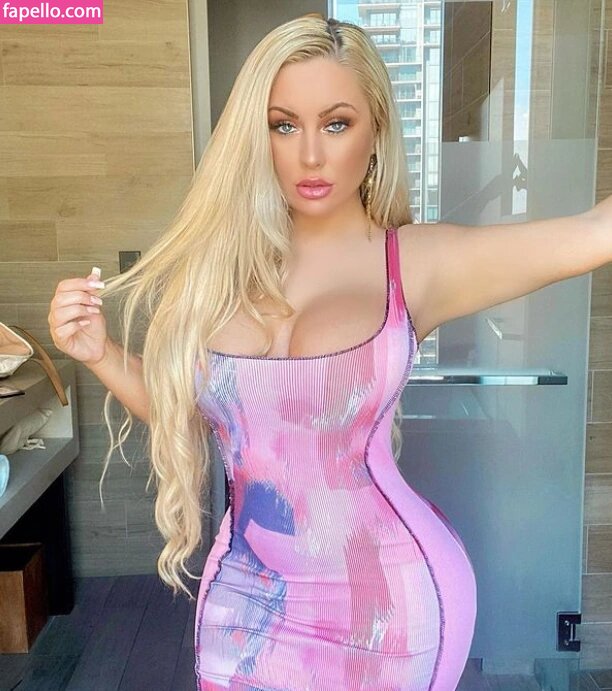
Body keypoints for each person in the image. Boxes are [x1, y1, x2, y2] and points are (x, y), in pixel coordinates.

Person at [47, 14, 612, 691]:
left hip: (385, 604)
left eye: (337, 123)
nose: (310, 155)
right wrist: (100, 353)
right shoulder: (219, 274)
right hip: (244, 599)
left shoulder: (415, 265)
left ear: (375, 131)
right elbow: (198, 419)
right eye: (284, 125)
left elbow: (594, 231)